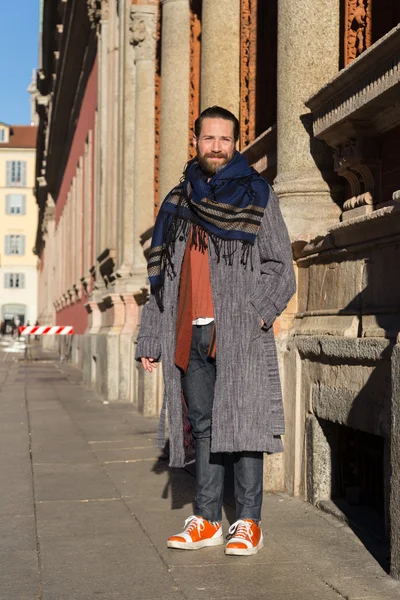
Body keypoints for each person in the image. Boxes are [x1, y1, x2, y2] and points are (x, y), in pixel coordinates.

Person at [136, 106, 295, 556]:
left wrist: (255, 314)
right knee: (201, 425)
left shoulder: (257, 194)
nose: (218, 148)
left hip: (239, 331)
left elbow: (280, 267)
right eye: (210, 139)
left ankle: (248, 522)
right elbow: (162, 277)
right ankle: (206, 519)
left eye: (226, 140)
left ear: (235, 143)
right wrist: (150, 336)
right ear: (196, 141)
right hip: (189, 329)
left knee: (244, 424)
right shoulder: (179, 200)